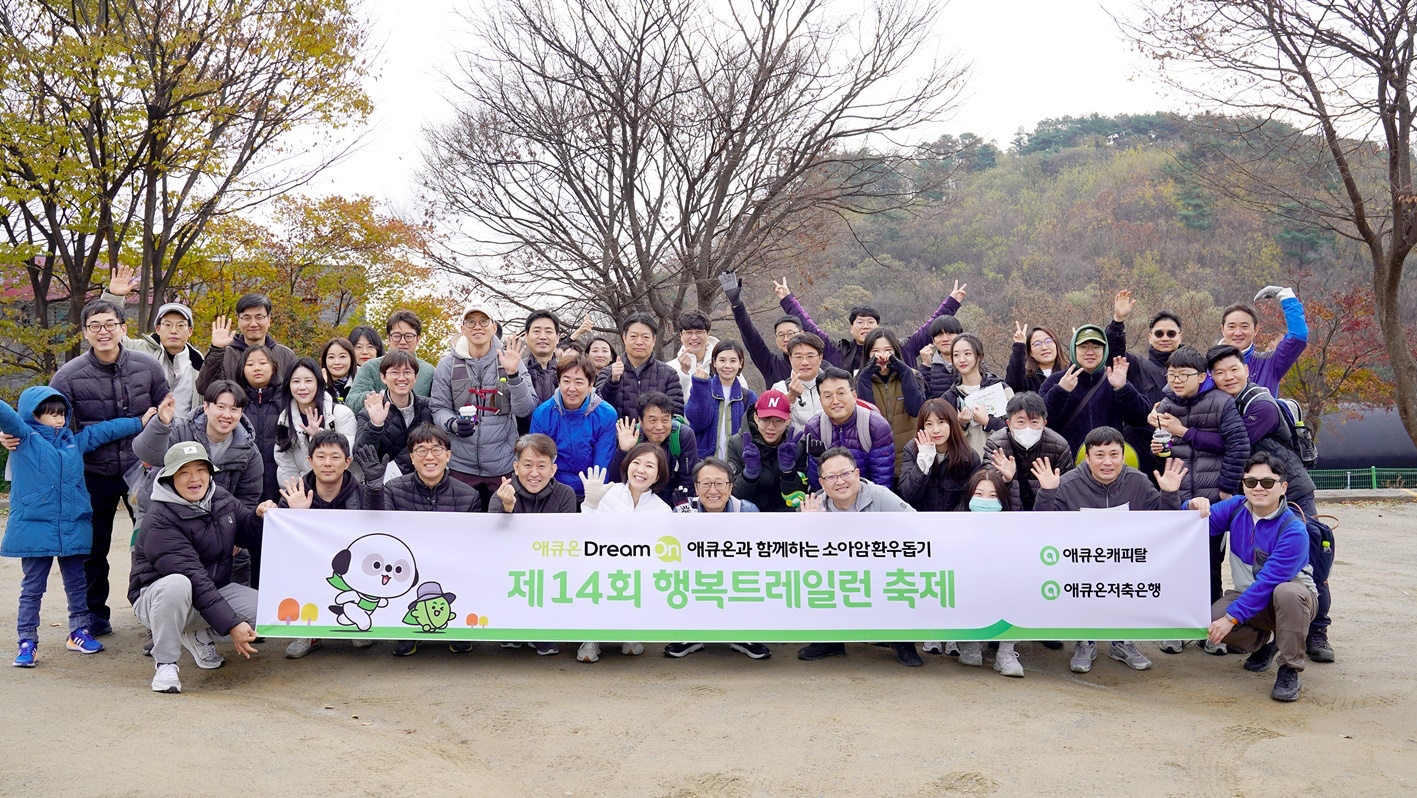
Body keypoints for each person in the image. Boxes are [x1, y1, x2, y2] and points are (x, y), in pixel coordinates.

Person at [1032, 426, 1211, 674]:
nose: (1108, 462)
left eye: (1114, 454)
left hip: (1126, 563)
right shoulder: (1067, 483)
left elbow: (1165, 527)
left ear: (1122, 455)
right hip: (1079, 565)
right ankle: (1085, 640)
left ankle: (1122, 641)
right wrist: (1048, 492)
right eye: (1100, 455)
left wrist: (1169, 494)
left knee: (1134, 580)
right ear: (1087, 457)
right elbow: (1040, 529)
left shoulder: (1137, 481)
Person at [47, 299, 169, 637]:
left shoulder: (148, 367)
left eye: (110, 324)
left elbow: (166, 412)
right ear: (85, 332)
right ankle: (92, 615)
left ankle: (156, 611)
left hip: (141, 467)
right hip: (92, 472)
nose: (103, 331)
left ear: (123, 328)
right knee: (92, 547)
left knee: (152, 542)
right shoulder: (68, 376)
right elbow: (49, 423)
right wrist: (12, 436)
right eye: (95, 326)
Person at [2, 387, 148, 667]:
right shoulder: (23, 438)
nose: (58, 420)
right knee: (33, 588)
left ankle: (79, 632)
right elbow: (6, 415)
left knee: (77, 583)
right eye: (50, 415)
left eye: (61, 414)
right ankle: (27, 640)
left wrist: (138, 422)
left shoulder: (72, 442)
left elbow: (101, 432)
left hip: (72, 524)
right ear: (33, 415)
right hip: (35, 528)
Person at [1206, 345, 1332, 662]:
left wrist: (1185, 431)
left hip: (1291, 491)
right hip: (1254, 493)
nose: (1227, 377)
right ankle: (1268, 638)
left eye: (1233, 369)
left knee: (1308, 563)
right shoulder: (1223, 404)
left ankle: (1316, 630)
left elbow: (1233, 443)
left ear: (1247, 369)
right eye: (1219, 372)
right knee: (1260, 565)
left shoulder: (1260, 403)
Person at [129, 442, 271, 694]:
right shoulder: (160, 519)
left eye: (201, 470)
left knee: (268, 611)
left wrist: (258, 518)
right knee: (177, 584)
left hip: (210, 590)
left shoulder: (220, 497)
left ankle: (197, 632)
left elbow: (246, 535)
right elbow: (192, 577)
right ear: (171, 478)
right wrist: (231, 625)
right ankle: (165, 664)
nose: (194, 478)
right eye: (184, 472)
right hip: (158, 599)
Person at [1149, 346, 1250, 635]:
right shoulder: (1165, 405)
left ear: (1202, 376)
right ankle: (1176, 630)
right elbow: (1164, 451)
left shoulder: (1221, 402)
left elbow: (1240, 447)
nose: (1177, 380)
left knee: (1209, 566)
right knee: (1174, 564)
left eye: (1183, 375)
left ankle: (1209, 629)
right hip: (1178, 498)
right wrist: (1157, 450)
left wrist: (1224, 491)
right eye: (1172, 375)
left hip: (1210, 501)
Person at [357, 424, 481, 657]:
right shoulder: (393, 489)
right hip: (406, 566)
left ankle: (461, 629)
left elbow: (472, 545)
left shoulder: (469, 495)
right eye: (421, 450)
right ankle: (406, 631)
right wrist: (374, 487)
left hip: (452, 566)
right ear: (412, 458)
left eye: (436, 449)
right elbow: (377, 530)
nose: (429, 456)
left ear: (448, 455)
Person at [1205, 453, 1318, 702]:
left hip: (1292, 597)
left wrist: (1232, 618)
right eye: (1250, 482)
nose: (1258, 488)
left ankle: (1290, 668)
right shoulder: (1235, 508)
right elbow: (1188, 523)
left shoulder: (1294, 529)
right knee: (1212, 619)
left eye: (1267, 482)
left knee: (1286, 593)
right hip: (1249, 594)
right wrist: (1188, 505)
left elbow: (1268, 582)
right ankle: (1267, 641)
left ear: (1283, 487)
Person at [797, 447, 917, 666]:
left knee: (899, 581)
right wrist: (808, 527)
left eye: (845, 474)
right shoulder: (814, 506)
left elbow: (915, 525)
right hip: (837, 576)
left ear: (857, 474)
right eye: (831, 477)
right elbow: (795, 554)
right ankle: (829, 641)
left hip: (882, 569)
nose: (840, 481)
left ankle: (902, 641)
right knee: (813, 580)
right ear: (822, 483)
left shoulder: (879, 495)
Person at [274, 431, 384, 658]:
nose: (327, 464)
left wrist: (375, 488)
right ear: (310, 460)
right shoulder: (293, 495)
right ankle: (307, 629)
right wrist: (297, 517)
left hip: (353, 568)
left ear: (347, 462)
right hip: (308, 566)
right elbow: (281, 548)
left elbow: (380, 535)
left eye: (335, 457)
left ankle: (357, 619)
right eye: (321, 456)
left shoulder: (362, 493)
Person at [431, 299, 537, 508]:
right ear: (462, 329)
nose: (477, 326)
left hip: (503, 462)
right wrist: (452, 424)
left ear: (493, 327)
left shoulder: (511, 359)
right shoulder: (447, 364)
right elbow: (438, 407)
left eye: (483, 321)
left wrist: (513, 375)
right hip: (460, 464)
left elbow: (526, 408)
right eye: (470, 322)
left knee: (502, 522)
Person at [661, 458, 770, 660]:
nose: (713, 490)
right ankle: (689, 635)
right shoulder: (683, 508)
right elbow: (673, 554)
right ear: (696, 487)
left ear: (730, 487)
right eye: (706, 484)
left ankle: (746, 636)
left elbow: (758, 554)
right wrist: (686, 524)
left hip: (736, 574)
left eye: (720, 483)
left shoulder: (746, 510)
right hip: (696, 576)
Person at [575, 442, 671, 663]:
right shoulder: (607, 492)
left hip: (638, 572)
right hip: (600, 565)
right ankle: (591, 637)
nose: (641, 470)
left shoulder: (662, 510)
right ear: (627, 466)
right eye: (636, 463)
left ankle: (631, 631)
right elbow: (585, 532)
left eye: (649, 466)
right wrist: (590, 503)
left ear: (657, 476)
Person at [936, 470, 1027, 678]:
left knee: (1018, 588)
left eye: (993, 496)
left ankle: (1006, 652)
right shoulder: (954, 528)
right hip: (967, 593)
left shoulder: (1014, 530)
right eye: (979, 494)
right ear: (969, 496)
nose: (985, 501)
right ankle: (969, 643)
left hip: (1001, 592)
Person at [772, 276, 966, 373]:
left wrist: (952, 302)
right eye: (860, 322)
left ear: (879, 327)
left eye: (870, 322)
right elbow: (809, 326)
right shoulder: (837, 350)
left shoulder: (901, 347)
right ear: (851, 328)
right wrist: (787, 299)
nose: (865, 326)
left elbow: (928, 329)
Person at [131, 383, 265, 521]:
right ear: (206, 407)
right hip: (161, 513)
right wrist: (161, 424)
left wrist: (232, 529)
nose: (226, 415)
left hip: (214, 522)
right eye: (220, 407)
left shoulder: (249, 452)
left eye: (234, 409)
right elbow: (147, 454)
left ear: (241, 412)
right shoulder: (180, 430)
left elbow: (247, 498)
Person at [102, 265, 204, 417]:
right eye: (167, 324)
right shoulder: (139, 350)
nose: (174, 330)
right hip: (145, 432)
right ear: (158, 329)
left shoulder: (199, 363)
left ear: (189, 331)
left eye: (180, 325)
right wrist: (114, 298)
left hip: (185, 434)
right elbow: (111, 336)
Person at [1039, 325, 1150, 455]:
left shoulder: (1113, 379)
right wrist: (1061, 391)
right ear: (1074, 350)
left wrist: (1123, 388)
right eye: (1083, 347)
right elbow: (1040, 420)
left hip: (1108, 463)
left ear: (1105, 351)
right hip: (1066, 464)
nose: (1090, 352)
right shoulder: (1056, 380)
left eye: (1096, 347)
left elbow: (1142, 417)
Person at [1107, 290, 1181, 479]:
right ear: (1149, 337)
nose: (1165, 338)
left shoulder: (1193, 367)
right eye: (1159, 333)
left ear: (1180, 336)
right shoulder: (1137, 365)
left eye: (1171, 333)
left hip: (1181, 448)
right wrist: (1117, 322)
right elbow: (1114, 353)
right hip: (1141, 446)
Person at [530, 353, 619, 500]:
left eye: (579, 382)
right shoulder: (542, 414)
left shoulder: (606, 414)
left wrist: (594, 492)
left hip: (592, 489)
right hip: (554, 489)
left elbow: (602, 461)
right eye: (566, 381)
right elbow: (540, 460)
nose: (572, 388)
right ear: (559, 382)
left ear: (590, 385)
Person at [791, 367, 895, 491]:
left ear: (854, 395)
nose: (835, 401)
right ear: (821, 400)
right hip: (831, 498)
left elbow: (882, 481)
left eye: (841, 393)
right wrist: (818, 461)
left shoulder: (876, 426)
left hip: (866, 496)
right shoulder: (814, 428)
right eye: (828, 396)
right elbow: (816, 485)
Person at [983, 392, 1074, 511]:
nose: (1028, 428)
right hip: (1008, 512)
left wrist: (1050, 489)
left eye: (1034, 422)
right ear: (1009, 424)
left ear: (1044, 423)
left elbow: (1068, 492)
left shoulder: (1059, 447)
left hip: (1045, 513)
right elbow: (988, 488)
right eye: (1021, 422)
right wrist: (1005, 480)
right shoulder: (996, 444)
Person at [274, 357, 358, 486]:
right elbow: (286, 466)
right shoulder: (285, 419)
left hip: (342, 490)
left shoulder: (341, 414)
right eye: (296, 381)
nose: (302, 387)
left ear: (319, 383)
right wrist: (298, 494)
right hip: (303, 494)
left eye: (308, 381)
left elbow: (348, 456)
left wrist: (318, 436)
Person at [354, 350, 435, 480]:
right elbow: (361, 455)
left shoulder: (429, 408)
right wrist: (375, 425)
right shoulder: (370, 411)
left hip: (425, 480)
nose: (401, 378)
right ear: (383, 377)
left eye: (407, 372)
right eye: (395, 372)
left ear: (416, 377)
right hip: (385, 485)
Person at [193, 293, 297, 395]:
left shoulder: (286, 355)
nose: (253, 324)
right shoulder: (224, 354)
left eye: (259, 317)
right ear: (239, 321)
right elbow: (204, 389)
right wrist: (216, 350)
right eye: (247, 318)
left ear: (269, 320)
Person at [855, 328, 927, 473]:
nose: (882, 356)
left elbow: (916, 410)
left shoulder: (912, 375)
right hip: (878, 463)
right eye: (875, 351)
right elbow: (867, 421)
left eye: (888, 350)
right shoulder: (860, 380)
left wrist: (905, 372)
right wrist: (864, 379)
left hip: (909, 461)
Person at [609, 392, 699, 506]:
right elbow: (617, 481)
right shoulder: (631, 437)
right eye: (653, 420)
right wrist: (623, 451)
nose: (659, 427)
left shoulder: (683, 435)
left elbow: (688, 481)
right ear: (640, 421)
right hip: (635, 505)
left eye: (665, 420)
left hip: (671, 505)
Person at [717, 270, 803, 386]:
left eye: (791, 334)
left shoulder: (819, 365)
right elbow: (752, 338)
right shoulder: (771, 366)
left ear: (802, 333)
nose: (786, 339)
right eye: (781, 335)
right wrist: (736, 304)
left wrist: (788, 299)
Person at [1221, 285, 1308, 395]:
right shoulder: (1208, 367)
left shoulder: (1270, 363)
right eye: (1232, 327)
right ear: (1222, 329)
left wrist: (1286, 296)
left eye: (1244, 326)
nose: (1238, 333)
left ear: (1256, 330)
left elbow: (1298, 336)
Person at [594, 313, 684, 419]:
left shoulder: (669, 374)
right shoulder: (608, 373)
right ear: (624, 338)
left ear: (654, 340)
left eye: (645, 337)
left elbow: (676, 414)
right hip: (618, 434)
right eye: (633, 336)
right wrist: (613, 382)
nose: (639, 342)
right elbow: (598, 410)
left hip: (656, 434)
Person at [897, 399, 980, 512]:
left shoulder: (969, 456)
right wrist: (923, 463)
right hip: (922, 521)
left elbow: (970, 498)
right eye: (929, 424)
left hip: (957, 522)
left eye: (941, 422)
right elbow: (908, 494)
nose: (936, 430)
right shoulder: (912, 450)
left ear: (951, 423)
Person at [346, 310, 437, 410]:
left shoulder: (428, 371)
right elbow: (352, 402)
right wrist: (385, 397)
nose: (402, 341)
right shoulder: (370, 367)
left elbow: (437, 406)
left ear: (418, 339)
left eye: (409, 336)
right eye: (397, 336)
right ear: (388, 338)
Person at [941, 333, 1012, 457]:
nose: (961, 359)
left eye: (967, 353)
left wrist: (989, 422)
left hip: (1001, 463)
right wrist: (961, 424)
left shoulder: (1001, 389)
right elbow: (943, 440)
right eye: (956, 355)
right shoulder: (948, 398)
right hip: (966, 468)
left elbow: (1017, 428)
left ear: (979, 356)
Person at [685, 340, 757, 459]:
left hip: (737, 465)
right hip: (705, 463)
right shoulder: (702, 388)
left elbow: (753, 434)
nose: (727, 366)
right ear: (714, 362)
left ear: (740, 363)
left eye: (733, 361)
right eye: (722, 360)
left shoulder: (748, 397)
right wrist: (700, 386)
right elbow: (697, 423)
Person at [728, 390, 795, 512]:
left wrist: (788, 471)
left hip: (786, 517)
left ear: (788, 419)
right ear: (756, 417)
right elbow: (734, 498)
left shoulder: (797, 445)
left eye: (778, 420)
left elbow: (799, 498)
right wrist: (749, 474)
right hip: (749, 515)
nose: (771, 427)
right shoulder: (737, 443)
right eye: (765, 420)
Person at [489, 434, 579, 515]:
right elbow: (495, 531)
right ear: (516, 468)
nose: (534, 473)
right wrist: (507, 507)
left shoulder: (564, 494)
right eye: (528, 465)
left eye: (541, 466)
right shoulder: (502, 495)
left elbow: (564, 531)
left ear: (552, 470)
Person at [519, 310, 564, 433]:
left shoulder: (568, 371)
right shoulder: (516, 370)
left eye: (549, 331)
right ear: (526, 336)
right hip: (524, 446)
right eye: (536, 331)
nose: (543, 336)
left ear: (557, 337)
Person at [770, 333, 827, 430]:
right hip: (796, 444)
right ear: (790, 359)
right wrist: (791, 396)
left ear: (820, 357)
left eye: (810, 356)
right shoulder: (780, 389)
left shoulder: (833, 385)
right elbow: (772, 424)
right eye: (798, 357)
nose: (805, 362)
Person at [1005, 322, 1069, 395]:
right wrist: (1019, 346)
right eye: (1037, 344)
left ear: (1056, 345)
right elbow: (1013, 386)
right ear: (1031, 352)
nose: (1044, 347)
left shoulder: (1070, 372)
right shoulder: (1028, 378)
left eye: (1048, 341)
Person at [669, 310, 717, 397]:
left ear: (708, 334)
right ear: (681, 336)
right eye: (688, 333)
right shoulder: (669, 369)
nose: (694, 337)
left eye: (699, 332)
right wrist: (684, 373)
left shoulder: (722, 363)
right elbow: (672, 404)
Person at [920, 315, 965, 398]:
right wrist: (925, 366)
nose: (945, 339)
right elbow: (921, 400)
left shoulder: (973, 363)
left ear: (960, 336)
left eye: (950, 333)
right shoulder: (928, 369)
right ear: (933, 341)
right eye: (939, 335)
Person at [320, 338, 358, 404]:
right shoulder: (317, 385)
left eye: (342, 356)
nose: (337, 362)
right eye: (331, 357)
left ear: (351, 359)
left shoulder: (361, 384)